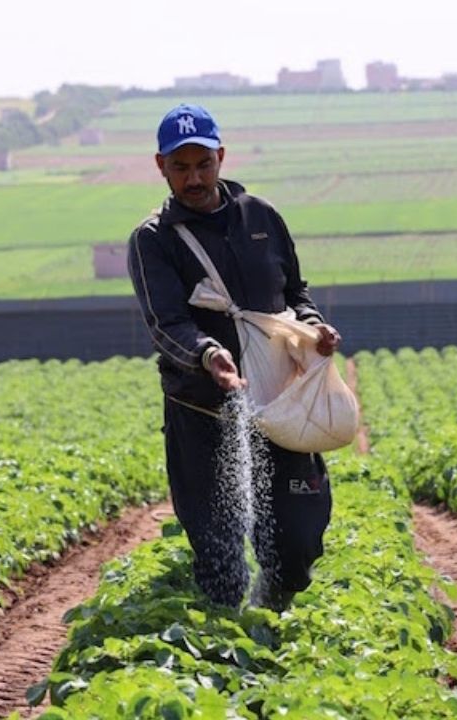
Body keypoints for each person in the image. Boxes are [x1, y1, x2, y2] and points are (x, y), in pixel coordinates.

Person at [126, 103, 341, 611]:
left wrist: (313, 328)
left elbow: (294, 293)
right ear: (161, 166)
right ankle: (227, 645)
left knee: (299, 536)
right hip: (203, 413)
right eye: (181, 168)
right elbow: (166, 323)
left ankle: (272, 607)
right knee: (218, 551)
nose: (194, 178)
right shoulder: (154, 240)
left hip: (278, 405)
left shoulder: (260, 218)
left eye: (203, 164)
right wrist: (210, 356)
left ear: (221, 157)